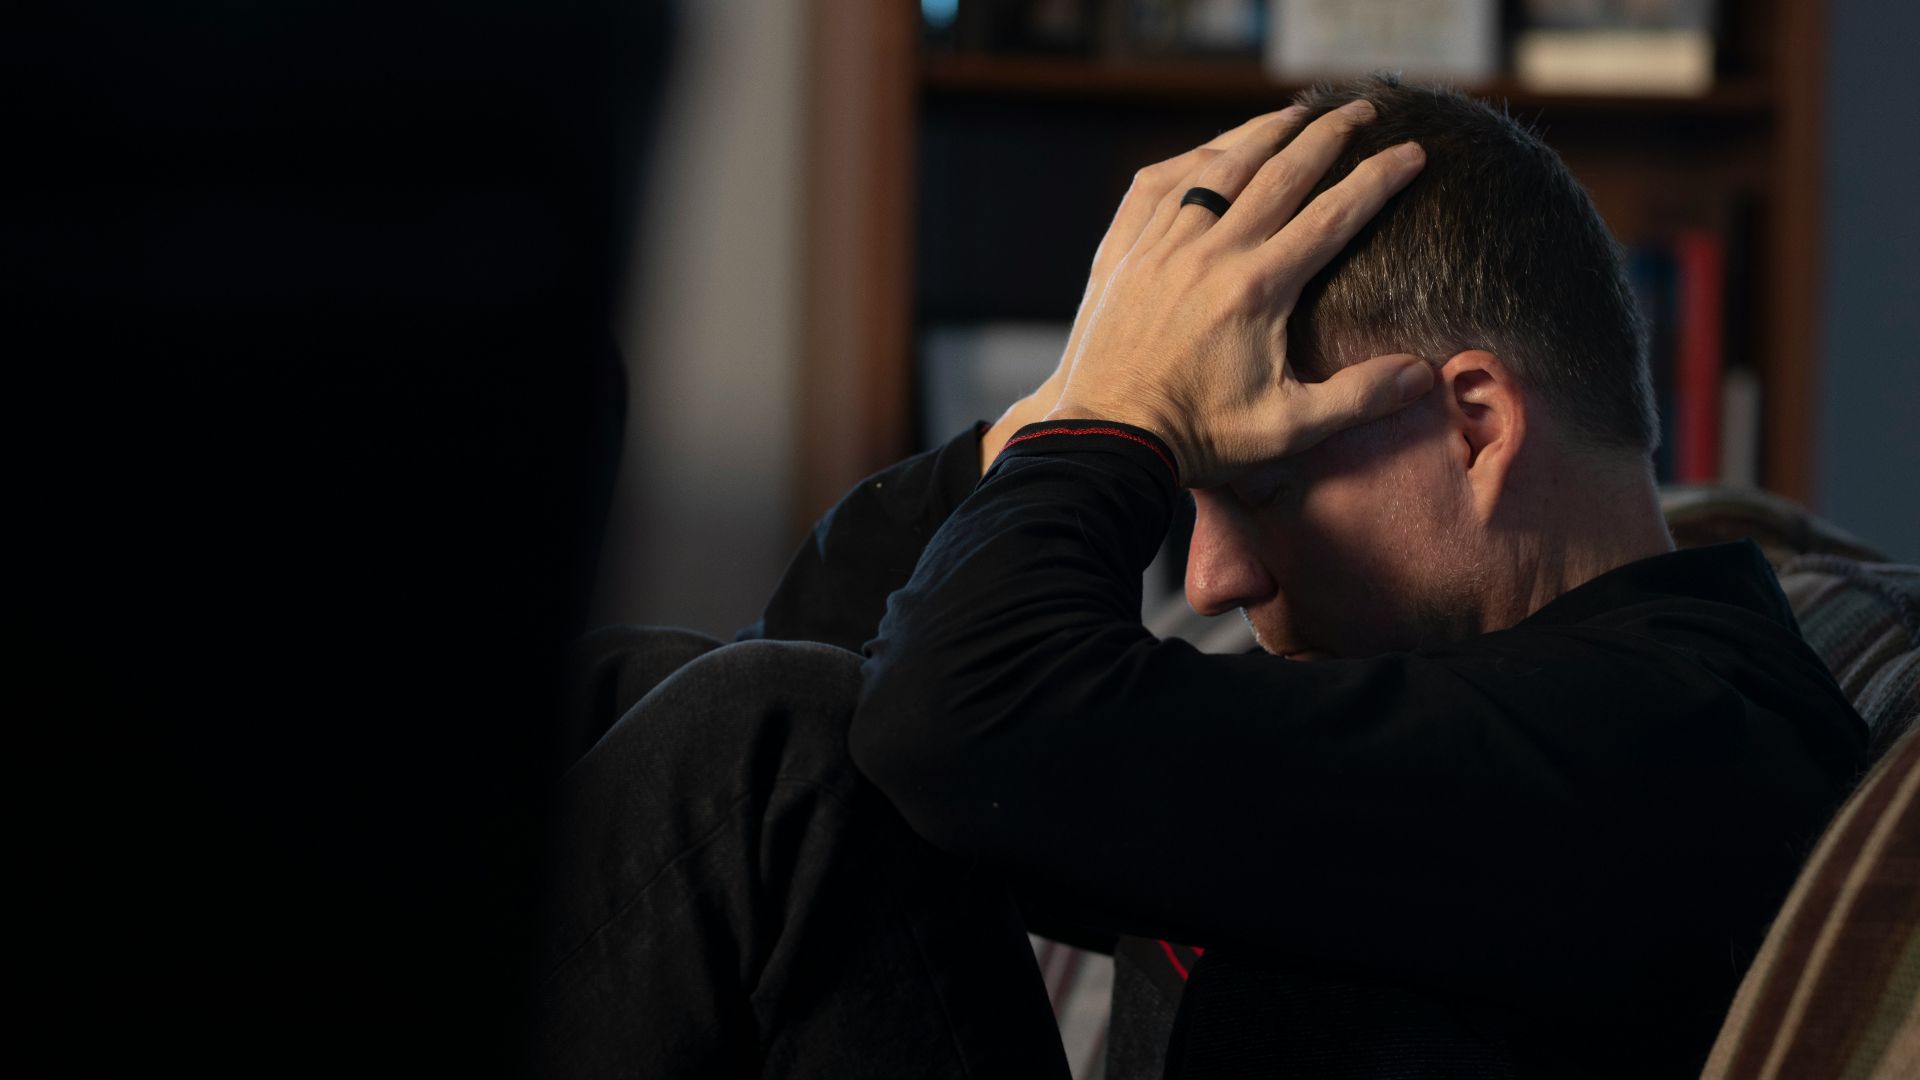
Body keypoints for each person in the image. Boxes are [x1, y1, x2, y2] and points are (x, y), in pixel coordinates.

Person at [534, 78, 1865, 1078]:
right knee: (638, 692)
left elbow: (940, 719)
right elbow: (841, 669)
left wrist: (1111, 428)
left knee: (763, 749)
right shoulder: (1464, 709)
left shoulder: (1664, 742)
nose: (1215, 581)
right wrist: (1071, 398)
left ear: (1471, 425)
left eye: (1253, 488)